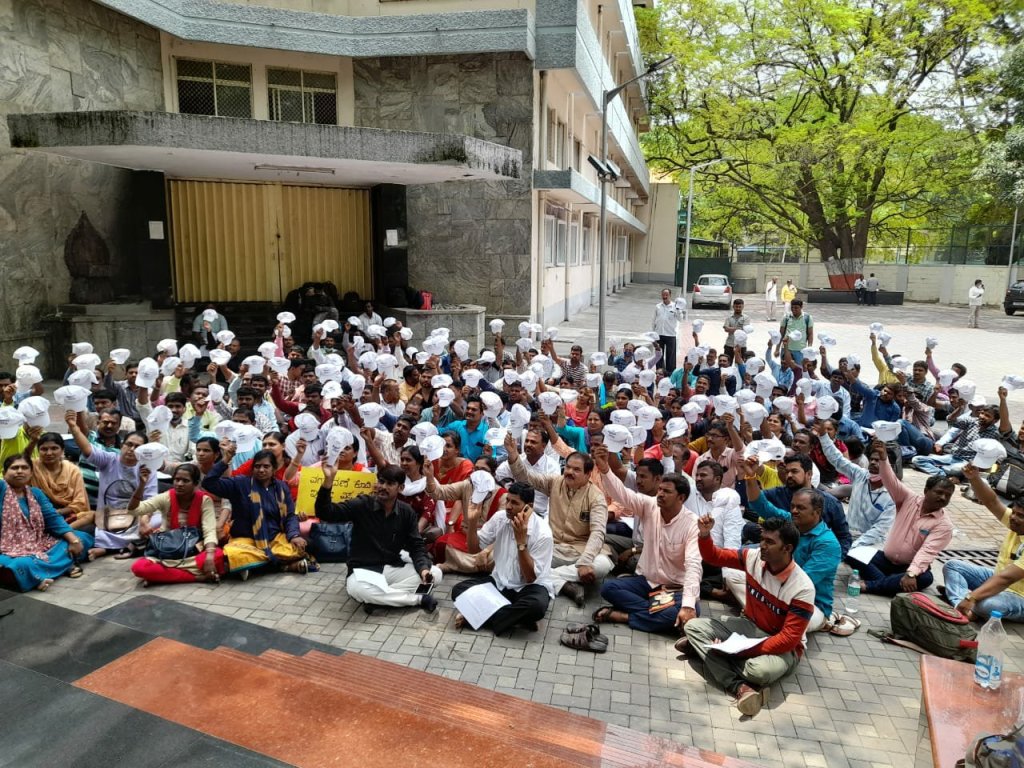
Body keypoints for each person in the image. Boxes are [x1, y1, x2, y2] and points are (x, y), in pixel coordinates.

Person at [681, 516, 814, 717]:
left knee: (758, 672)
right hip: (749, 627)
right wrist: (705, 534)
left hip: (784, 648)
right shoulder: (753, 557)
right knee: (692, 627)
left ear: (787, 548)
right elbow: (714, 556)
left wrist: (738, 652)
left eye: (770, 542)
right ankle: (739, 687)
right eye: (762, 539)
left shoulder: (803, 588)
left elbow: (788, 640)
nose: (762, 546)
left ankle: (708, 653)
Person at [591, 445, 701, 634]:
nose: (660, 494)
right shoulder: (649, 505)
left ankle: (624, 616)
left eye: (667, 492)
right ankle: (656, 612)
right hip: (646, 582)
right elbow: (623, 495)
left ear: (681, 497)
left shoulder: (692, 524)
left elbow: (693, 566)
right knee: (609, 588)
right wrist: (605, 469)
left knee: (691, 609)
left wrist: (688, 606)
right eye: (660, 490)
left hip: (674, 588)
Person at [504, 432, 613, 607]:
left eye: (576, 470)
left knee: (602, 565)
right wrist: (513, 455)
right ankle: (564, 584)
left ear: (588, 474)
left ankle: (551, 578)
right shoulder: (555, 482)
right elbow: (526, 478)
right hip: (553, 547)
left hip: (580, 551)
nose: (569, 472)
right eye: (568, 467)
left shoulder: (596, 497)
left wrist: (585, 562)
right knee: (520, 562)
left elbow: (598, 533)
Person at [315, 463, 442, 612]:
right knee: (360, 590)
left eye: (390, 483)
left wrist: (424, 571)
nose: (383, 487)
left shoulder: (406, 512)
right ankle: (417, 599)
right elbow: (326, 513)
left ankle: (381, 599)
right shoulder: (362, 504)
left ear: (401, 488)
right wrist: (328, 481)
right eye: (381, 481)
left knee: (436, 574)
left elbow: (416, 546)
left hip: (392, 568)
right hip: (363, 570)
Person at [846, 439, 954, 596]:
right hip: (885, 560)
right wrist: (883, 459)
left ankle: (870, 586)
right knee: (852, 553)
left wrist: (911, 573)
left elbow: (927, 552)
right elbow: (891, 481)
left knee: (925, 578)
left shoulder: (944, 525)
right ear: (926, 491)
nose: (943, 497)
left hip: (910, 567)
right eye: (939, 492)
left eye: (947, 495)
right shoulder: (908, 498)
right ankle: (891, 584)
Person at [450, 482, 553, 634]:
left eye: (515, 503)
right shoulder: (500, 518)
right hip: (500, 583)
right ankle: (513, 618)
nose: (508, 506)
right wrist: (472, 522)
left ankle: (480, 615)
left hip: (528, 588)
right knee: (459, 591)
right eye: (507, 501)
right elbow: (473, 549)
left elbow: (530, 577)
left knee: (535, 607)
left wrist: (521, 542)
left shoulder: (543, 534)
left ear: (529, 507)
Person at [743, 472, 841, 631]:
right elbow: (761, 506)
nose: (794, 511)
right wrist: (750, 475)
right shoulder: (791, 521)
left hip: (809, 603)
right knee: (731, 574)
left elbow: (802, 582)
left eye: (800, 508)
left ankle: (758, 613)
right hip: (774, 591)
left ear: (816, 512)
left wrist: (762, 591)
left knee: (782, 620)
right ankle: (759, 613)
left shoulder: (828, 544)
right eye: (792, 506)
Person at [202, 447, 310, 577]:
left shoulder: (281, 488)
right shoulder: (240, 484)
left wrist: (294, 535)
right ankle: (284, 566)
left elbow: (290, 516)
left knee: (298, 547)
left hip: (274, 538)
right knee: (234, 554)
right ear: (252, 468)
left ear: (274, 469)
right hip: (245, 539)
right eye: (257, 466)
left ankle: (251, 566)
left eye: (266, 466)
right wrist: (225, 459)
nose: (261, 470)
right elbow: (208, 483)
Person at [66, 412, 156, 559]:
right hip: (109, 517)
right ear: (122, 445)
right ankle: (124, 546)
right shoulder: (109, 460)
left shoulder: (147, 469)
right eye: (129, 444)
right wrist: (73, 426)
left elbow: (150, 500)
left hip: (136, 517)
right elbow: (87, 449)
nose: (132, 449)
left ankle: (107, 549)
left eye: (137, 447)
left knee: (157, 520)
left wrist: (145, 520)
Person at [944, 465, 1024, 622]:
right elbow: (991, 501)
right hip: (998, 578)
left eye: (1020, 516)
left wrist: (972, 596)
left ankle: (965, 603)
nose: (1013, 518)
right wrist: (974, 478)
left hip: (1019, 596)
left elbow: (1007, 578)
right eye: (1013, 512)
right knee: (953, 566)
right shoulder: (1014, 522)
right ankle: (962, 606)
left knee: (986, 605)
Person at [0, 455, 92, 591]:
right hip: (6, 547)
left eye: (24, 468)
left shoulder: (36, 493)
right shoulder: (1, 489)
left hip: (39, 542)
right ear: (4, 473)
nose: (19, 471)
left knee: (81, 538)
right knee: (20, 564)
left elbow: (52, 518)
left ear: (31, 473)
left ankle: (37, 575)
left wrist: (74, 540)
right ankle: (64, 567)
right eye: (14, 468)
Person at [127, 464, 224, 586]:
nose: (179, 484)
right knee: (139, 567)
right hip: (165, 552)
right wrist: (141, 485)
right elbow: (134, 510)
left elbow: (209, 530)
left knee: (218, 556)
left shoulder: (205, 500)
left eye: (185, 481)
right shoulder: (166, 497)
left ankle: (161, 576)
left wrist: (209, 556)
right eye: (177, 479)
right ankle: (197, 577)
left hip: (192, 551)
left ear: (195, 484)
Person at [812, 423, 895, 548]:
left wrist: (854, 546)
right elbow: (837, 459)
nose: (873, 462)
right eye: (872, 459)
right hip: (847, 535)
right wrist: (823, 436)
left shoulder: (893, 494)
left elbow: (879, 529)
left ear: (889, 466)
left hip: (872, 543)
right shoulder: (860, 474)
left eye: (878, 460)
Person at [32, 432, 94, 531]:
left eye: (54, 448)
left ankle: (64, 530)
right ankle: (64, 531)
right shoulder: (33, 468)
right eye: (44, 449)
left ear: (62, 450)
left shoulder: (73, 470)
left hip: (67, 515)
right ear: (38, 451)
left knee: (92, 520)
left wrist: (58, 512)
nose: (49, 453)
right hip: (41, 516)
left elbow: (80, 502)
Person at [652, 289, 682, 372]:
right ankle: (659, 373)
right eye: (663, 295)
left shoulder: (675, 307)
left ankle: (670, 374)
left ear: (670, 295)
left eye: (666, 295)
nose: (664, 296)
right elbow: (653, 320)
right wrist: (653, 335)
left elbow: (680, 319)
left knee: (671, 357)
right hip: (659, 334)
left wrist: (678, 310)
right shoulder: (658, 306)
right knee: (658, 356)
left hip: (670, 335)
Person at [779, 300, 813, 364]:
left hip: (800, 350)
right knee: (785, 369)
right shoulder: (786, 317)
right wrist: (777, 349)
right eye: (792, 307)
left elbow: (810, 334)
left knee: (799, 369)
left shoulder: (807, 317)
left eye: (796, 308)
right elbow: (781, 333)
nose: (793, 309)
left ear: (801, 307)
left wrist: (809, 347)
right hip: (786, 349)